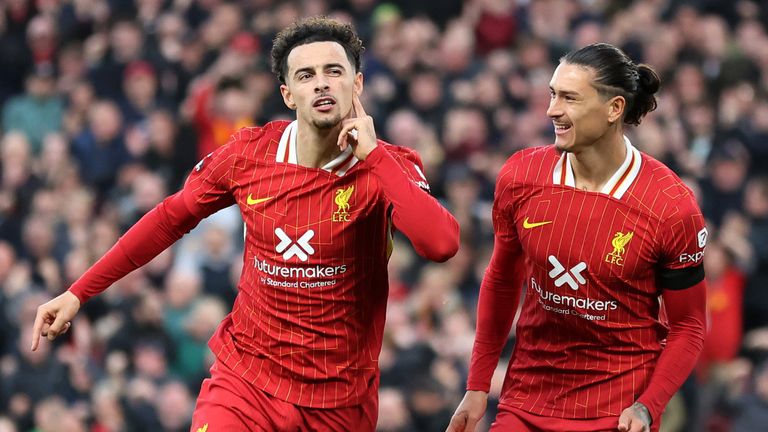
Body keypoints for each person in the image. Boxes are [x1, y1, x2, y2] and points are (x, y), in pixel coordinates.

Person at [30, 17, 460, 431]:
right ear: (289, 94)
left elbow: (441, 244)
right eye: (306, 75)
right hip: (246, 383)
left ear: (358, 83)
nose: (322, 83)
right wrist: (78, 291)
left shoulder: (389, 167)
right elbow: (169, 219)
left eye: (334, 71)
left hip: (338, 402)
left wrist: (375, 156)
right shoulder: (249, 154)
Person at [447, 43, 707, 432]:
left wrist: (648, 407)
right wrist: (478, 385)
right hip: (526, 400)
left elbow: (689, 326)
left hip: (616, 411)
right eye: (553, 94)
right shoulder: (521, 176)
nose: (552, 109)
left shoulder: (670, 207)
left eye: (569, 98)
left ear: (614, 109)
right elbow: (502, 279)